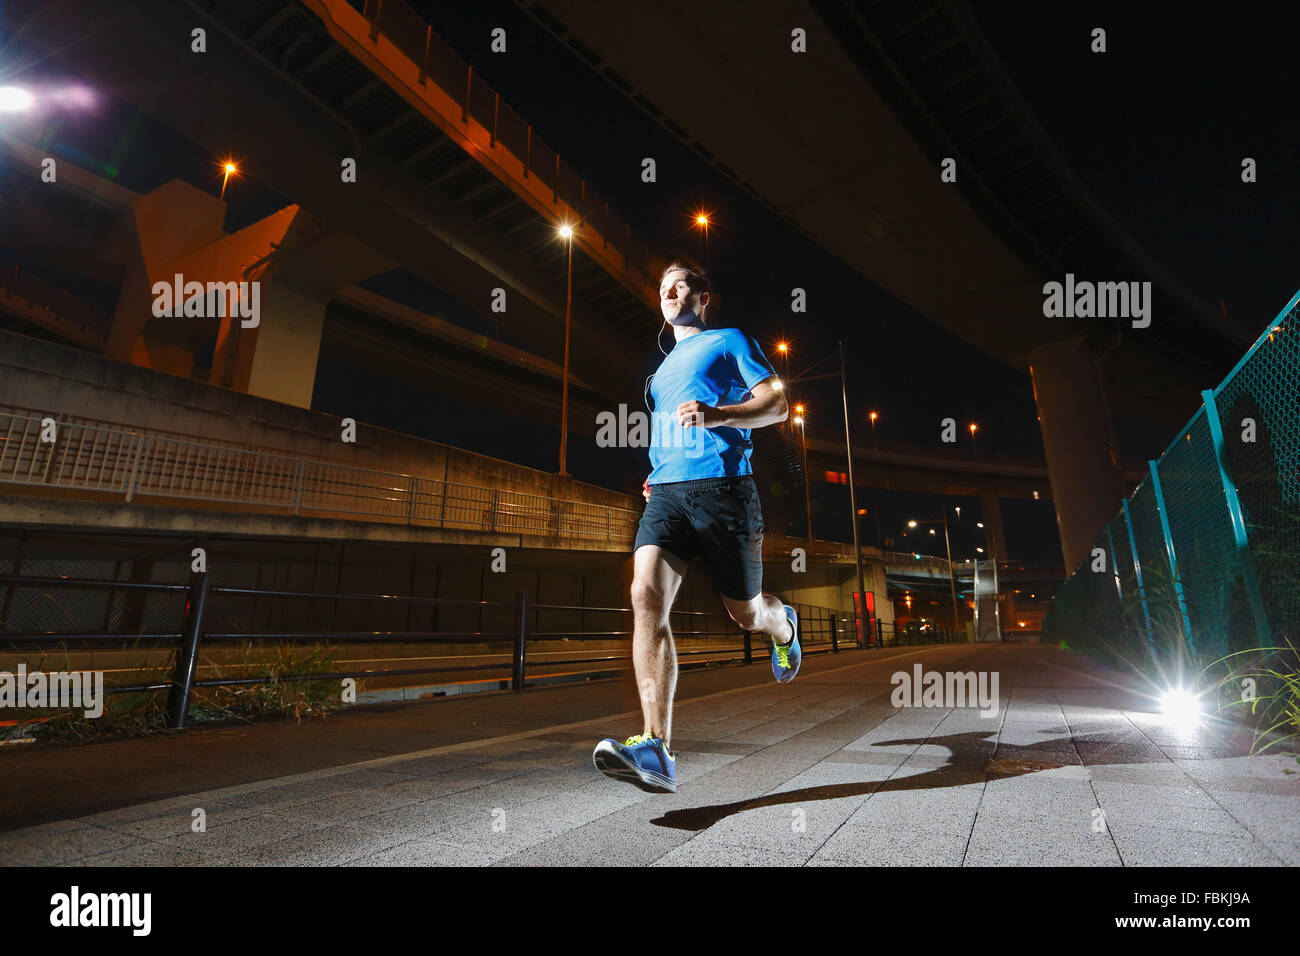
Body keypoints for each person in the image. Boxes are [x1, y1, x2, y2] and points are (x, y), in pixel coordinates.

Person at [593, 260, 799, 794]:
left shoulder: (729, 340)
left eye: (682, 284)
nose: (671, 291)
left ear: (703, 296)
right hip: (665, 495)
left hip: (726, 491)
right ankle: (656, 748)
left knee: (746, 614)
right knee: (644, 595)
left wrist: (718, 415)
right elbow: (669, 427)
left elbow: (776, 404)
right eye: (664, 287)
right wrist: (659, 471)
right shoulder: (658, 373)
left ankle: (783, 625)